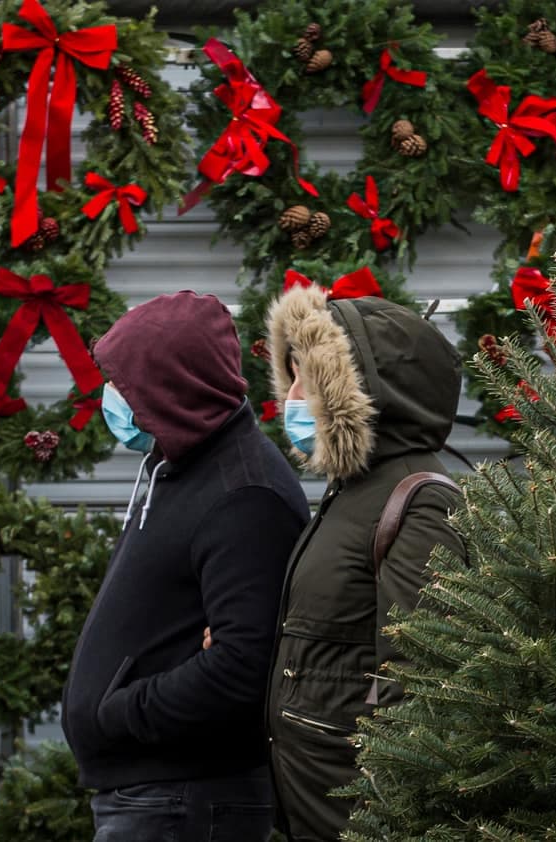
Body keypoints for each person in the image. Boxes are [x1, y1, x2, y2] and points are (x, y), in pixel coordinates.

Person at [61, 290, 311, 842]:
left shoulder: (244, 494)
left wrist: (119, 712)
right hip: (157, 796)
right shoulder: (181, 463)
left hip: (183, 801)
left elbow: (245, 666)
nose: (112, 396)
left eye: (125, 383)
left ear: (171, 385)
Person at [260, 284, 466, 841]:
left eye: (309, 379)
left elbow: (419, 685)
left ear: (362, 390)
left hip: (356, 819)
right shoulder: (349, 491)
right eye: (291, 377)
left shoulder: (419, 500)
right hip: (312, 808)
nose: (293, 396)